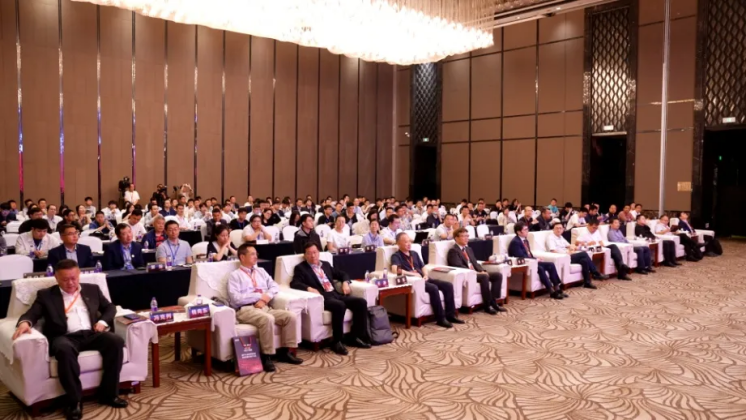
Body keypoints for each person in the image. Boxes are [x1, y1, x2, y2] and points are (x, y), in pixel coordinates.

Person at [13, 259, 127, 420]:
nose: (70, 283)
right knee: (64, 350)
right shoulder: (46, 295)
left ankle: (109, 394)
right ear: (56, 278)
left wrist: (102, 322)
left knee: (115, 342)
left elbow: (110, 308)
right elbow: (32, 313)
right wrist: (25, 322)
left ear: (79, 274)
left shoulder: (92, 289)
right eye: (65, 279)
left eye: (74, 278)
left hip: (92, 333)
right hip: (64, 337)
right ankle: (74, 402)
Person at [226, 244, 302, 371]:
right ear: (242, 257)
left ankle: (285, 352)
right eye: (252, 254)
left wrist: (265, 298)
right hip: (246, 309)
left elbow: (274, 286)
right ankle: (266, 356)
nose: (256, 256)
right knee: (267, 319)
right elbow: (236, 299)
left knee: (290, 316)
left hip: (264, 306)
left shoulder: (260, 271)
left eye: (256, 254)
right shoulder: (235, 275)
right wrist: (259, 296)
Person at [290, 242, 371, 355]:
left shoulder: (326, 265)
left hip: (335, 294)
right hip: (322, 298)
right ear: (305, 255)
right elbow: (294, 283)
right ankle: (337, 341)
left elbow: (342, 274)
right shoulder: (301, 268)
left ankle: (355, 337)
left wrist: (345, 283)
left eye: (314, 252)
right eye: (309, 253)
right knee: (339, 305)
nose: (312, 255)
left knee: (361, 302)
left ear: (318, 253)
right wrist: (309, 288)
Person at [390, 232, 463, 327]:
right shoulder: (396, 256)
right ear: (398, 243)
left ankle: (450, 315)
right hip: (415, 281)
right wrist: (412, 274)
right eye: (405, 242)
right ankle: (440, 319)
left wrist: (426, 275)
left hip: (423, 278)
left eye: (409, 241)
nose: (409, 244)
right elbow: (395, 270)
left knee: (448, 285)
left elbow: (423, 266)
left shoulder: (414, 253)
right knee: (433, 288)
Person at [447, 228, 506, 315]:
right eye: (463, 236)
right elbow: (458, 266)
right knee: (484, 277)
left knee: (497, 275)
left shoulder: (468, 249)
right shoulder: (453, 251)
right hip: (467, 274)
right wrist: (476, 273)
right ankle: (487, 306)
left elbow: (475, 263)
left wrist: (482, 270)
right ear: (456, 238)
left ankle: (494, 302)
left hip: (476, 273)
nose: (466, 238)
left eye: (467, 236)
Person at [508, 221, 565, 300]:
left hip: (532, 262)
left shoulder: (525, 240)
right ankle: (551, 291)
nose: (527, 231)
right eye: (525, 230)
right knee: (540, 268)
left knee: (551, 265)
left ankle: (557, 288)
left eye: (527, 229)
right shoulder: (515, 242)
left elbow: (528, 254)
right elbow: (521, 257)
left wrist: (536, 259)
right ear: (518, 232)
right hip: (524, 263)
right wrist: (535, 260)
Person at [546, 223, 608, 289]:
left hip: (569, 255)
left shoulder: (560, 237)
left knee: (584, 260)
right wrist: (566, 252)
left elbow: (569, 245)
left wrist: (573, 247)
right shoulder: (551, 238)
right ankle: (596, 273)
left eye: (560, 228)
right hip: (563, 257)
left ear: (563, 229)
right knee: (584, 254)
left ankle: (587, 282)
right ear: (553, 229)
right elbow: (553, 251)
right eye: (557, 228)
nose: (559, 230)